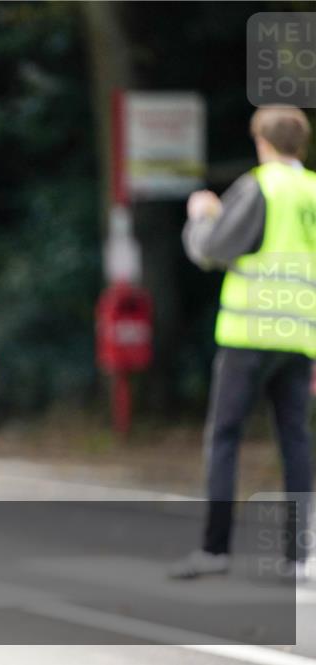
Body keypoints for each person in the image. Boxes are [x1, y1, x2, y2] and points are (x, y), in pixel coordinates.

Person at [173, 106, 315, 581]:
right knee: (296, 440)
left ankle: (215, 550)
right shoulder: (313, 192)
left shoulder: (259, 186)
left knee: (225, 437)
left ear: (262, 142)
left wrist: (200, 217)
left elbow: (212, 249)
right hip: (300, 335)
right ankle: (298, 557)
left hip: (249, 333)